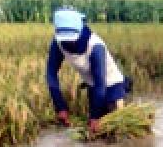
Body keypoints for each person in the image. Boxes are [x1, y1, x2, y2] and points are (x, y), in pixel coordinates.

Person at [46, 8, 129, 136]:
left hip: (112, 87)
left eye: (72, 39)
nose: (69, 42)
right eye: (65, 40)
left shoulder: (95, 46)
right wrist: (60, 107)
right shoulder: (58, 42)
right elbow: (51, 74)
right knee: (96, 135)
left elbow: (100, 83)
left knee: (116, 132)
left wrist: (94, 117)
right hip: (93, 87)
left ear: (79, 30)